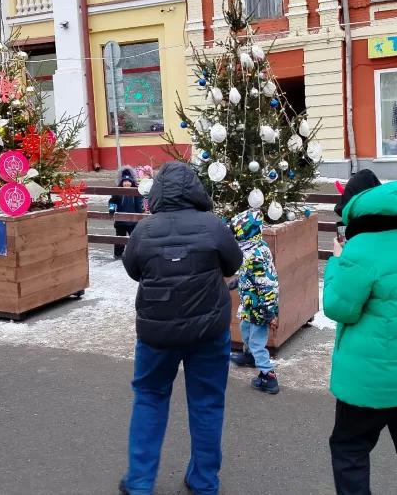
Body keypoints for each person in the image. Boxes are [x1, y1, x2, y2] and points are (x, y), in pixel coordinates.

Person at [120, 162, 243, 495]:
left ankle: (140, 482)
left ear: (158, 191)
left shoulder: (145, 230)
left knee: (149, 398)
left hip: (157, 332)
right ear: (195, 190)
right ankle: (204, 482)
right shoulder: (213, 225)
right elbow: (234, 263)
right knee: (207, 403)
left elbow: (133, 269)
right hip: (208, 329)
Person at [324, 171, 397, 495]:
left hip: (368, 380)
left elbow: (339, 307)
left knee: (350, 450)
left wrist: (336, 261)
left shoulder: (360, 250)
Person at [228, 209, 280, 394]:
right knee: (245, 330)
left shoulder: (255, 254)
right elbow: (249, 275)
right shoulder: (253, 249)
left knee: (257, 342)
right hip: (250, 304)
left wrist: (269, 310)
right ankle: (249, 356)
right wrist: (236, 282)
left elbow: (267, 284)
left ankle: (268, 376)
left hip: (260, 307)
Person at [108, 166, 144, 259]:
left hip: (133, 222)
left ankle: (134, 256)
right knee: (120, 240)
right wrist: (112, 209)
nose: (127, 183)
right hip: (120, 222)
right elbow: (112, 201)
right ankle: (118, 255)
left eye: (129, 182)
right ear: (121, 183)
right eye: (124, 182)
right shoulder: (118, 192)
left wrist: (140, 215)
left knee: (134, 240)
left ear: (132, 183)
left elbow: (139, 205)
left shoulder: (136, 193)